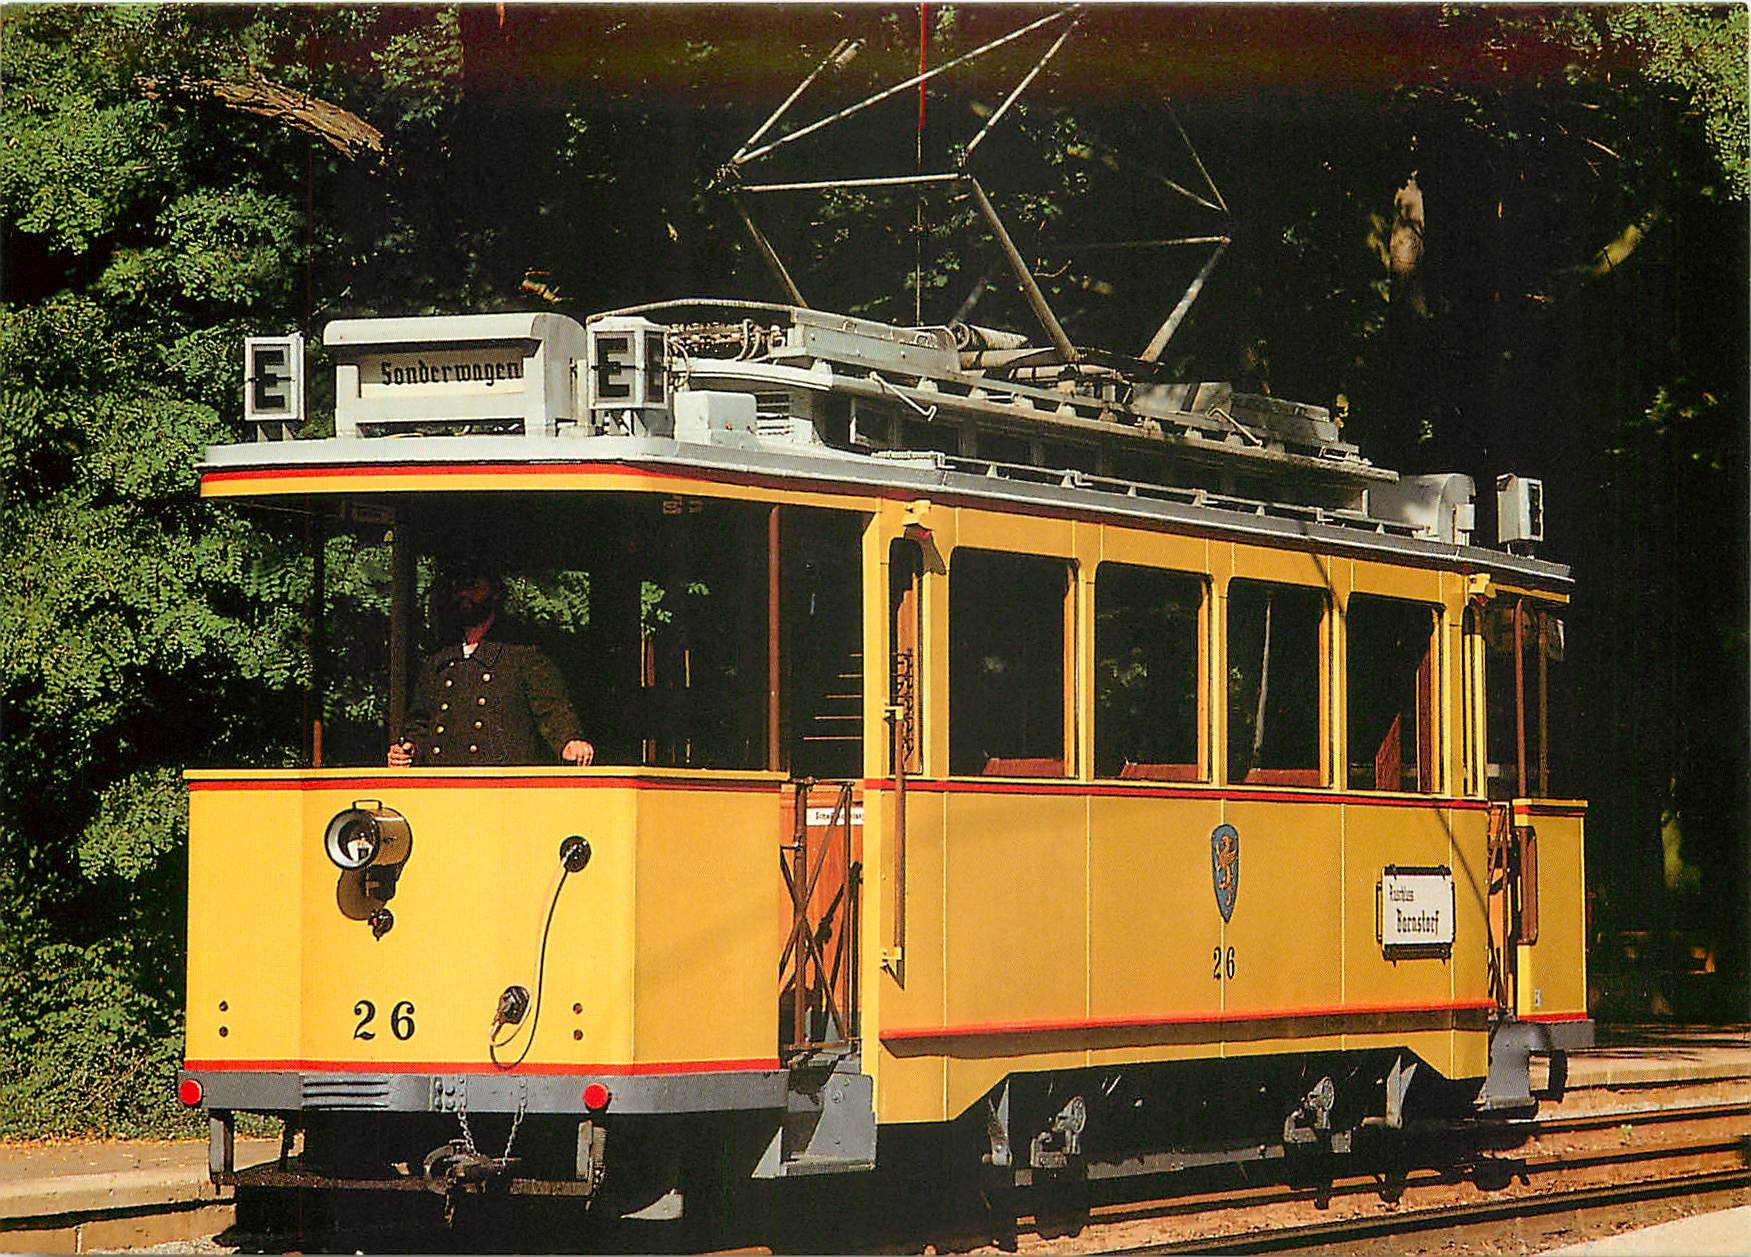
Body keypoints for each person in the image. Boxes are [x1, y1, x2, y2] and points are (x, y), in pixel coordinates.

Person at [388, 571, 594, 767]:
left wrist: (569, 741)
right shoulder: (438, 660)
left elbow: (552, 710)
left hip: (501, 789)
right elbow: (419, 723)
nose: (464, 595)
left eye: (472, 586)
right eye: (458, 588)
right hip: (444, 786)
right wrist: (408, 750)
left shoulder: (521, 656)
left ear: (495, 592)